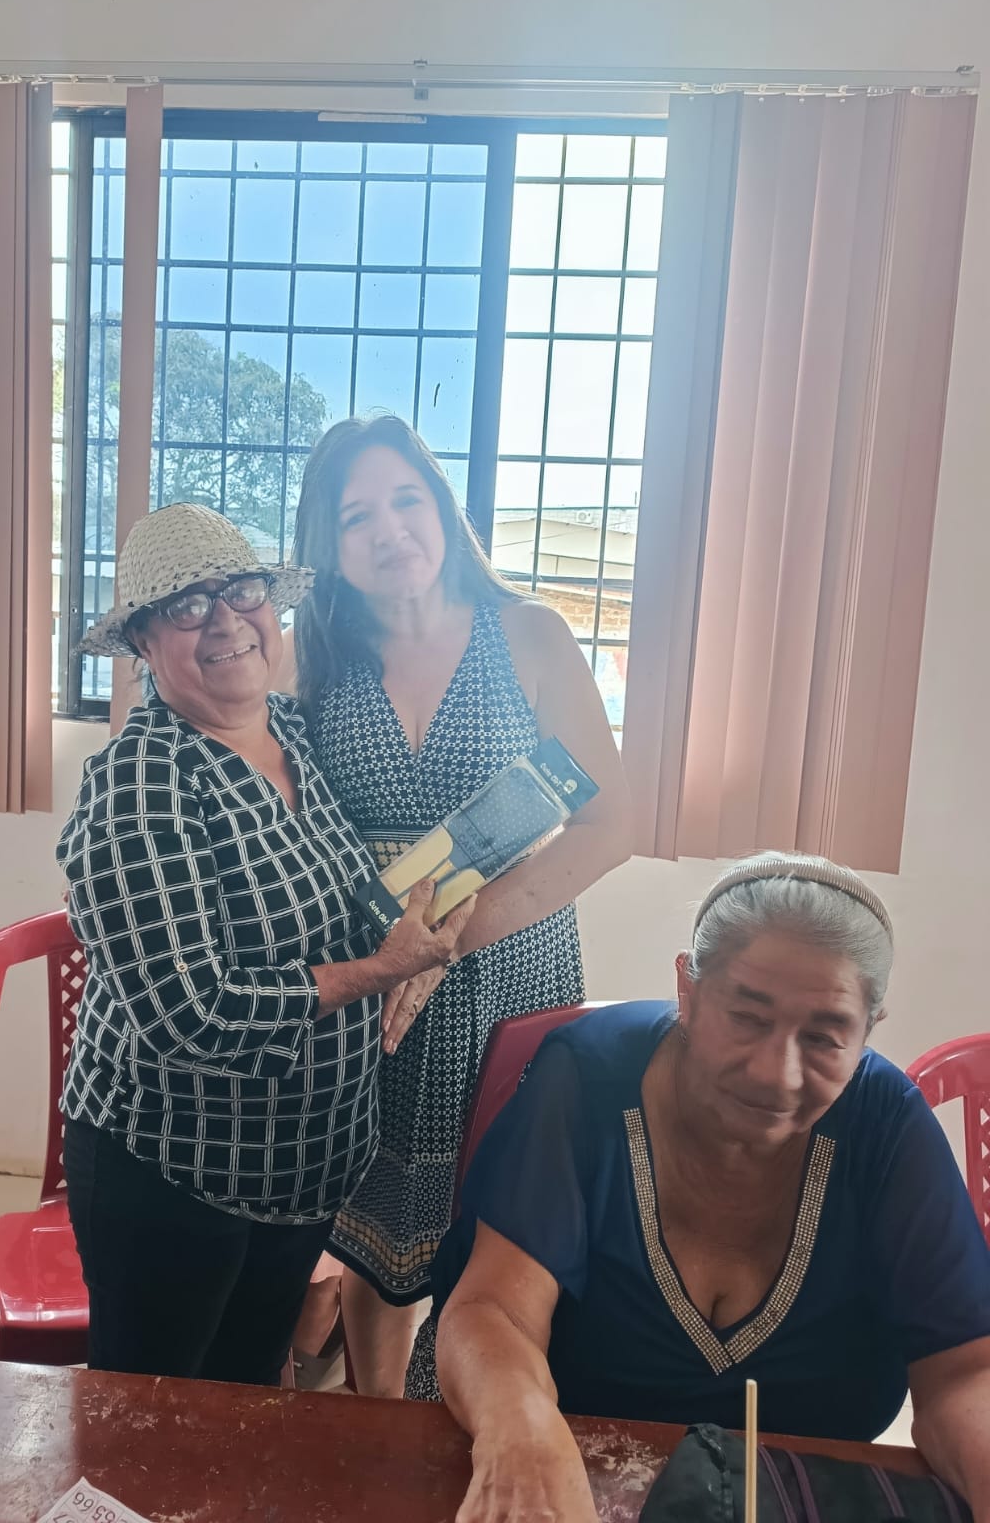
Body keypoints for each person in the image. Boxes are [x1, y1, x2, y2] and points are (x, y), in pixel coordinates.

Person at [419, 853, 990, 1523]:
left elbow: (963, 1370)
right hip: (577, 1474)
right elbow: (495, 1310)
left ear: (868, 1030)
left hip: (794, 1495)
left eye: (824, 1037)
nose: (777, 1074)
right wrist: (518, 1432)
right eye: (747, 1017)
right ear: (687, 989)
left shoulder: (886, 1124)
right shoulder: (587, 1077)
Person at [57, 503, 473, 1387]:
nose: (225, 622)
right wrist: (385, 969)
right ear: (143, 642)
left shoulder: (291, 734)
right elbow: (190, 1012)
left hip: (300, 1178)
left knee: (244, 1403)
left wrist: (439, 911)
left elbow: (342, 902)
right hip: (172, 1174)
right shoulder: (141, 782)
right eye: (186, 606)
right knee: (153, 1422)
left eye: (241, 592)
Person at [286, 415, 632, 1396]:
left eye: (407, 499)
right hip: (374, 978)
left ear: (444, 509)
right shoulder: (313, 654)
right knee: (375, 1222)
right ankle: (377, 1420)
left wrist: (451, 941)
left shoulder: (528, 635)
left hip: (509, 966)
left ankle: (474, 1410)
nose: (389, 529)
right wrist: (382, 957)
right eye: (356, 516)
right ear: (328, 545)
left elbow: (611, 823)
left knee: (496, 1222)